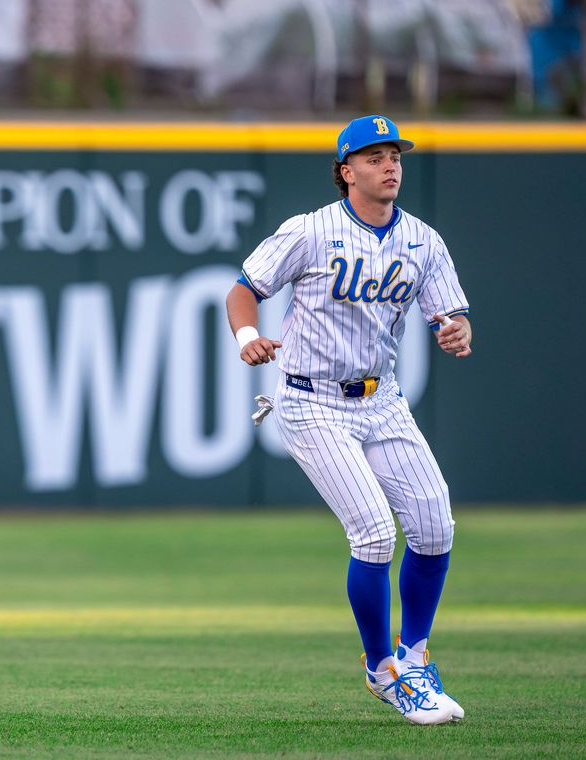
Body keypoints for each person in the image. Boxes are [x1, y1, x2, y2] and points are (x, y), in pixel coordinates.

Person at [225, 115, 472, 726]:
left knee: (434, 522)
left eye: (395, 155)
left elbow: (450, 312)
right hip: (311, 400)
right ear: (346, 170)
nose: (391, 165)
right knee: (373, 532)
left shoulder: (423, 239)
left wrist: (456, 327)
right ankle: (381, 668)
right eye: (374, 156)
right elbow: (243, 288)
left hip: (380, 400)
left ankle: (414, 657)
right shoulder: (310, 232)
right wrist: (248, 335)